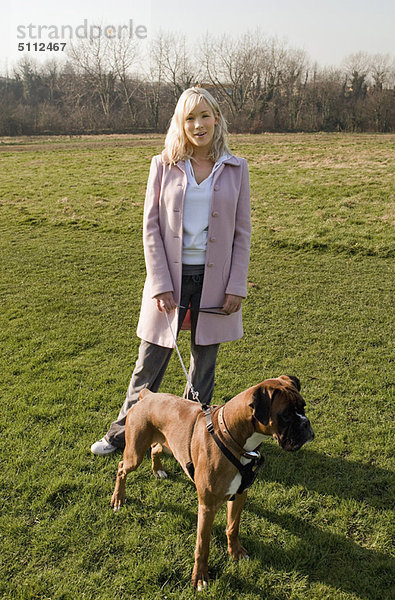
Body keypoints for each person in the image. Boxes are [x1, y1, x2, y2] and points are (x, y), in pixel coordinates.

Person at [91, 87, 251, 455]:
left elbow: (242, 232)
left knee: (203, 370)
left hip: (215, 283)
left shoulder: (236, 167)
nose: (199, 125)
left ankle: (196, 440)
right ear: (180, 124)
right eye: (190, 118)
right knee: (149, 365)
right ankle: (121, 435)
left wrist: (236, 285)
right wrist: (160, 284)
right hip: (170, 282)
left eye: (205, 116)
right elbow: (150, 228)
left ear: (217, 119)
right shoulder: (162, 164)